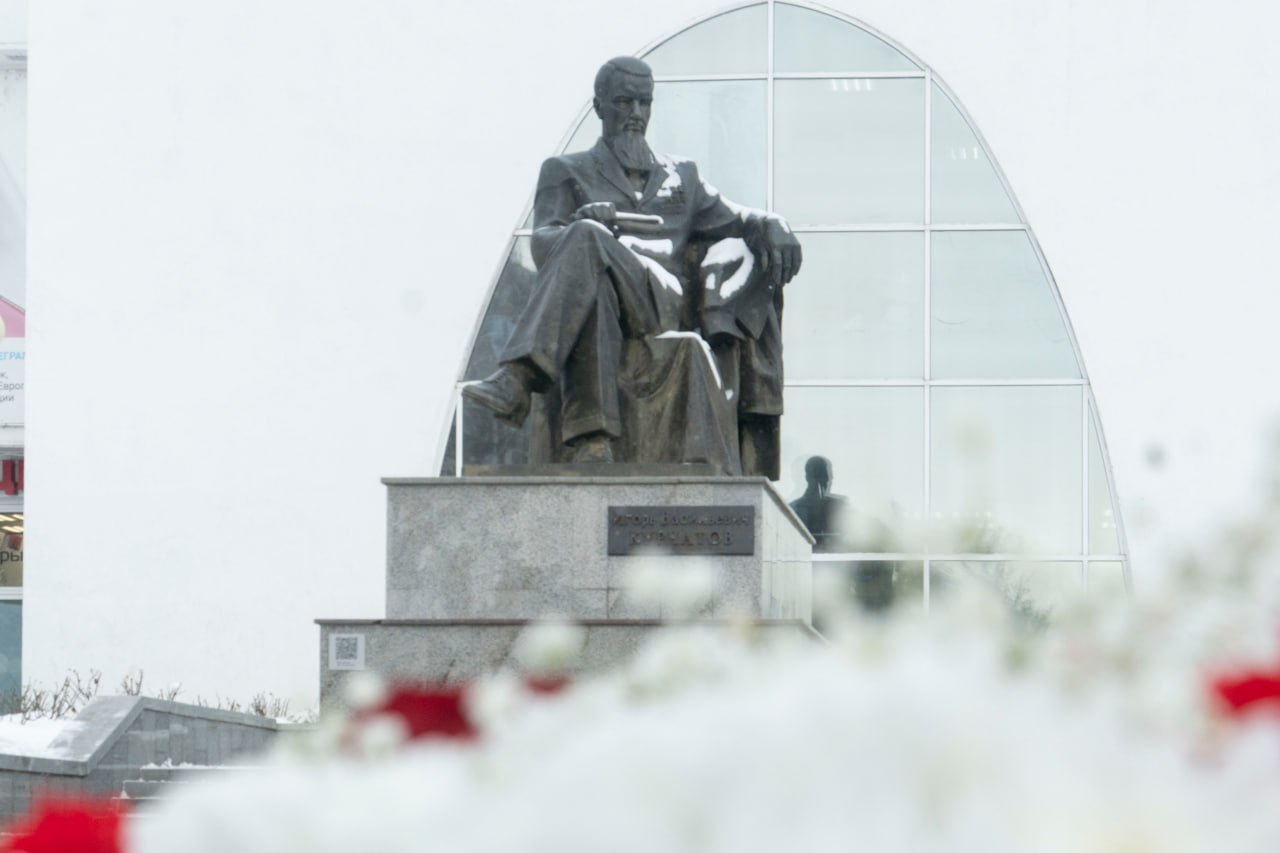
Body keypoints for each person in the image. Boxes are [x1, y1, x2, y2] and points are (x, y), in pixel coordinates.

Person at [464, 56, 802, 474]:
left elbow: (736, 217)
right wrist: (581, 221)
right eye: (625, 102)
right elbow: (543, 246)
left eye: (645, 102)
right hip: (602, 301)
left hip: (661, 301)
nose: (636, 114)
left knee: (587, 238)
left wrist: (772, 223)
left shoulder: (682, 176)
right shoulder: (565, 171)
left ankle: (518, 377)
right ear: (599, 105)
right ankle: (593, 440)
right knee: (590, 262)